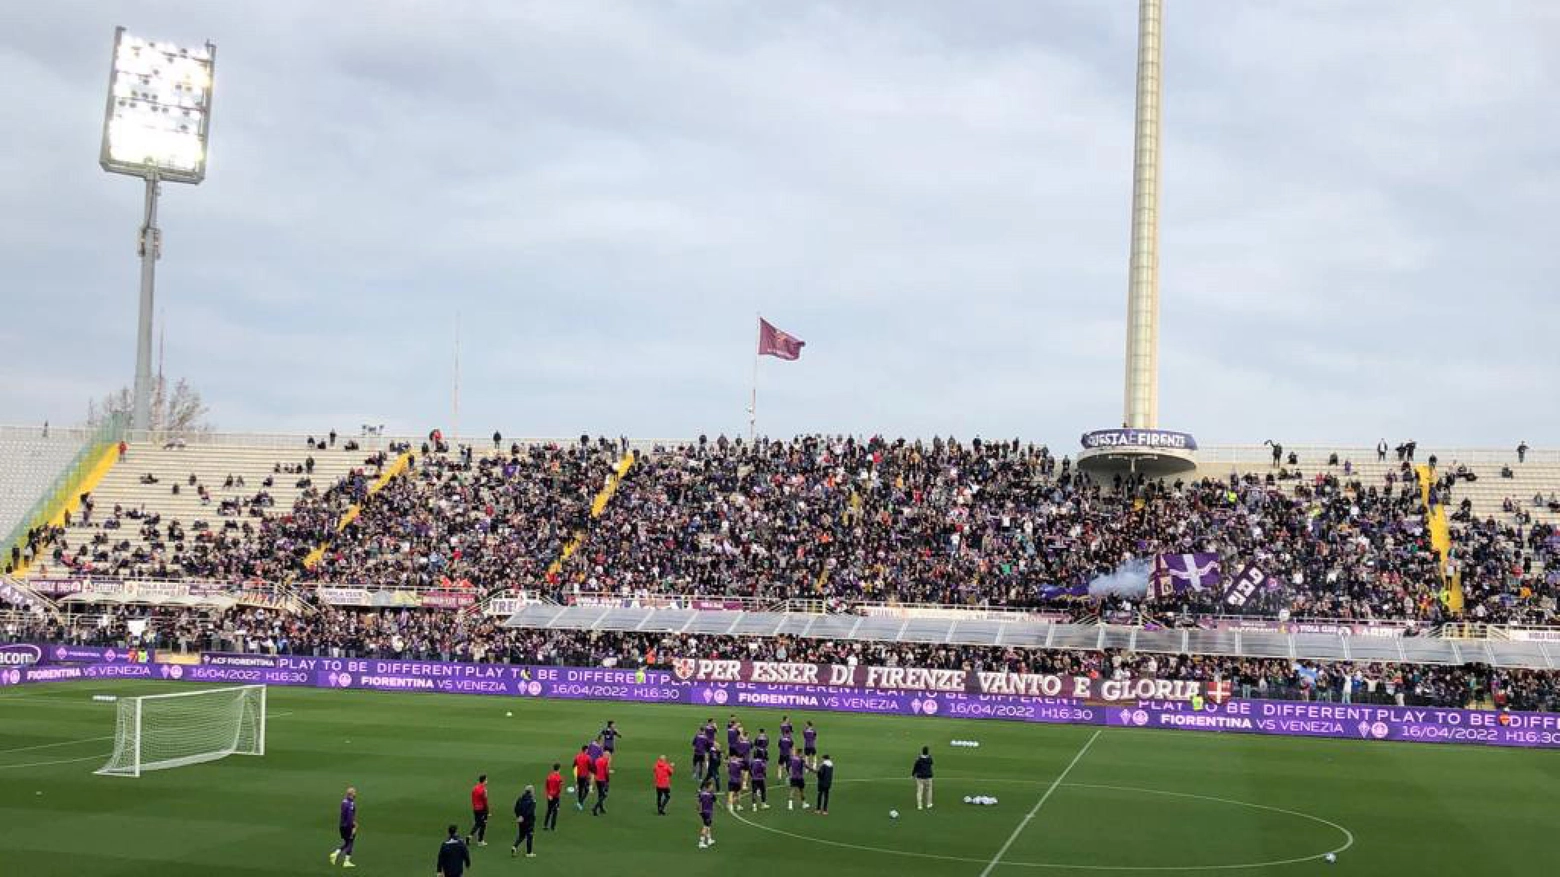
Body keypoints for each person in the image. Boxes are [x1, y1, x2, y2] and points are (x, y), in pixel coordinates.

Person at [328, 786, 357, 868]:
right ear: (351, 794)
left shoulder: (344, 801)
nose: (356, 793)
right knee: (350, 842)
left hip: (341, 826)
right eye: (354, 792)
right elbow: (350, 817)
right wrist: (353, 827)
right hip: (348, 826)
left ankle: (335, 854)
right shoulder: (351, 804)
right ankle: (346, 862)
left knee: (347, 842)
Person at [511, 784, 536, 858]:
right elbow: (530, 811)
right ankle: (529, 852)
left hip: (521, 821)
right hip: (529, 821)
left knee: (521, 835)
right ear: (531, 791)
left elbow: (516, 808)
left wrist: (519, 816)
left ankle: (514, 846)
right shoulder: (532, 800)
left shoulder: (520, 798)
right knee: (529, 836)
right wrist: (523, 817)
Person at [467, 774, 490, 846]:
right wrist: (487, 811)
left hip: (475, 809)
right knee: (483, 824)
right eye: (486, 780)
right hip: (482, 809)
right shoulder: (484, 790)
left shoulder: (474, 788)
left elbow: (473, 798)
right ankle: (480, 841)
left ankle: (470, 836)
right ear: (484, 781)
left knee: (478, 823)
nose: (487, 781)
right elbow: (485, 801)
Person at [697, 780, 717, 850]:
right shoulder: (711, 795)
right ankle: (701, 842)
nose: (712, 787)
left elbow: (698, 802)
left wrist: (699, 810)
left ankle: (709, 840)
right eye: (711, 786)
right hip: (708, 812)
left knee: (708, 826)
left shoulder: (702, 794)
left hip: (703, 812)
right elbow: (715, 800)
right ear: (708, 787)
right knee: (705, 827)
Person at [912, 746, 934, 810]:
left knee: (919, 791)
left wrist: (913, 774)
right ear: (928, 752)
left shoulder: (919, 759)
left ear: (922, 751)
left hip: (920, 777)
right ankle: (929, 804)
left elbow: (915, 767)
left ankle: (920, 806)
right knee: (929, 790)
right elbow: (931, 763)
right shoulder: (929, 758)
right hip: (928, 776)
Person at [590, 751, 611, 815]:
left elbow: (594, 769)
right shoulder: (605, 762)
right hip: (602, 780)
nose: (609, 757)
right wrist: (607, 780)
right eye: (608, 756)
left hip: (597, 780)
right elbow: (606, 772)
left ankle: (601, 808)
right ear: (605, 755)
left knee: (600, 794)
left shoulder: (597, 760)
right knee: (604, 795)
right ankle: (595, 808)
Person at [572, 745, 593, 810]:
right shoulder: (588, 757)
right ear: (586, 750)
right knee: (586, 790)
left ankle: (579, 802)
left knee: (580, 790)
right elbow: (590, 767)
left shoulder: (577, 756)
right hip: (585, 777)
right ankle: (580, 802)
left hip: (579, 776)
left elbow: (574, 765)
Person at [543, 764, 563, 830]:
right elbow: (559, 789)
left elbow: (546, 786)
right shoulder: (559, 778)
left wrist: (548, 795)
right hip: (556, 797)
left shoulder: (549, 776)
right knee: (555, 811)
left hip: (549, 796)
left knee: (549, 810)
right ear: (559, 769)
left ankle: (545, 825)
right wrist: (555, 795)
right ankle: (552, 827)